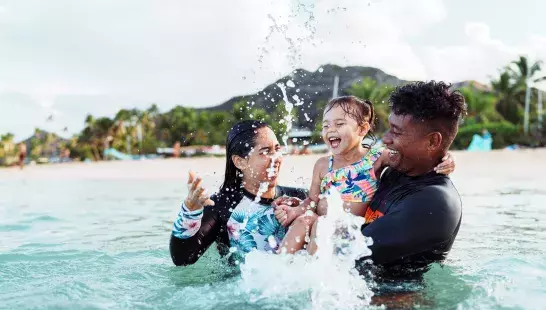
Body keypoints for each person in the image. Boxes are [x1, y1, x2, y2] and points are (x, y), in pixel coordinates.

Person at [275, 96, 454, 254]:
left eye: (339, 124)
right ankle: (280, 267)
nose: (330, 130)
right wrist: (296, 210)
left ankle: (312, 275)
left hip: (350, 228)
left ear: (362, 130)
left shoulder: (375, 158)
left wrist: (445, 158)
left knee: (321, 227)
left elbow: (413, 155)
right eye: (325, 125)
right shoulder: (322, 165)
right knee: (303, 220)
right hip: (321, 220)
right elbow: (312, 200)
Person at [357, 81, 465, 278]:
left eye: (396, 132)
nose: (386, 138)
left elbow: (349, 251)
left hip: (389, 305)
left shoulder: (434, 203)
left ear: (433, 141)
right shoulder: (397, 170)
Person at [169, 120, 307, 266]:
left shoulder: (300, 198)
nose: (276, 158)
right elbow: (182, 259)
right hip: (236, 286)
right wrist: (190, 212)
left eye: (277, 149)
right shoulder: (222, 207)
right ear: (240, 162)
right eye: (265, 151)